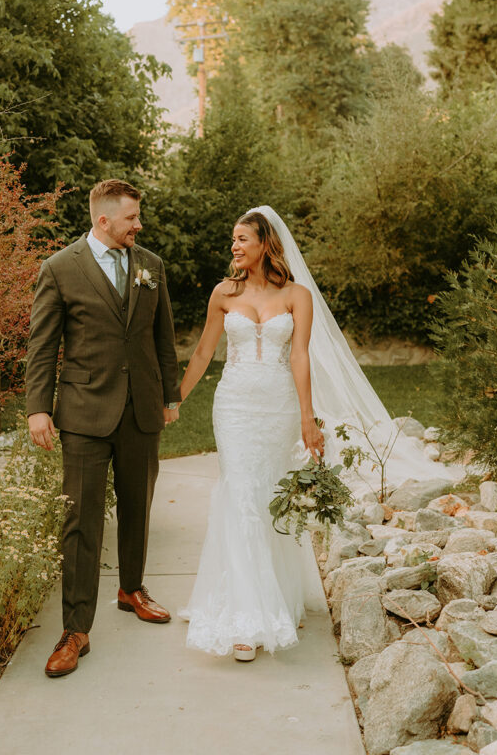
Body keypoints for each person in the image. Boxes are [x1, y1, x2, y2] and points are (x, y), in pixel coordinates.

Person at [179, 206, 457, 662]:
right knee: (242, 495)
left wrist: (308, 419)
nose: (234, 246)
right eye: (233, 239)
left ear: (265, 244)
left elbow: (300, 358)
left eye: (242, 238)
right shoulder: (222, 293)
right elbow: (203, 353)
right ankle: (246, 620)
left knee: (270, 497)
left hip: (278, 407)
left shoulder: (297, 295)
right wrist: (175, 402)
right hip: (233, 406)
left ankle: (278, 597)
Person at [26, 179, 182, 678]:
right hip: (84, 412)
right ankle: (75, 629)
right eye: (132, 217)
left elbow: (164, 336)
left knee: (139, 504)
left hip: (141, 410)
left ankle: (131, 589)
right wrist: (38, 408)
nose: (139, 225)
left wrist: (170, 395)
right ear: (104, 220)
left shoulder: (151, 267)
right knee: (81, 520)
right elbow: (43, 345)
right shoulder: (59, 268)